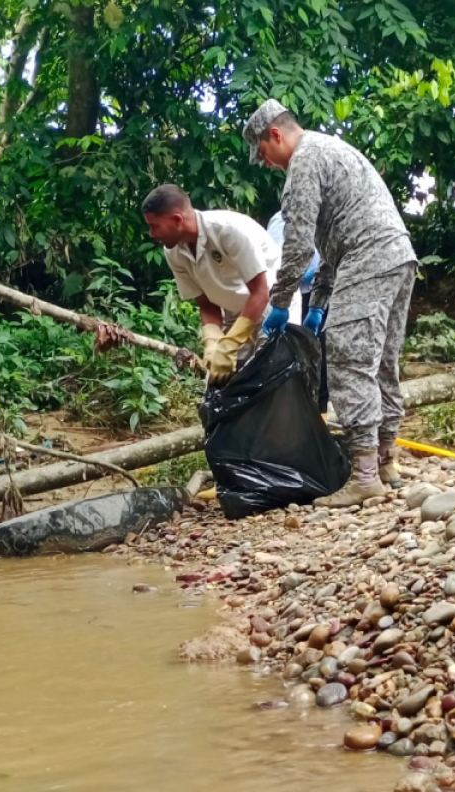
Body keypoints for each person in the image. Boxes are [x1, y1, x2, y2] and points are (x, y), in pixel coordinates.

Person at [243, 98, 416, 506]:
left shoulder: (304, 160)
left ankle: (365, 476)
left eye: (263, 153)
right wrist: (318, 300)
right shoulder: (331, 149)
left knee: (347, 358)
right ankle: (387, 460)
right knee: (382, 362)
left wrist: (280, 300)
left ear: (275, 134)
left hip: (369, 256)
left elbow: (299, 245)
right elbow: (331, 244)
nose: (265, 162)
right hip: (398, 255)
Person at [141, 184, 283, 381]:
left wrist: (231, 343)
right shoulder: (173, 252)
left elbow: (261, 292)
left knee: (273, 376)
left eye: (155, 226)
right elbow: (206, 304)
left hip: (272, 307)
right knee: (217, 380)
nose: (151, 233)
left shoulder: (228, 231)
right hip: (235, 312)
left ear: (177, 219)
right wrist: (213, 339)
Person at [266, 211, 330, 413]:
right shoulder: (281, 220)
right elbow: (278, 262)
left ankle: (318, 416)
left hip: (320, 291)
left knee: (321, 356)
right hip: (290, 295)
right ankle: (292, 413)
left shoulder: (327, 215)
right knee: (291, 354)